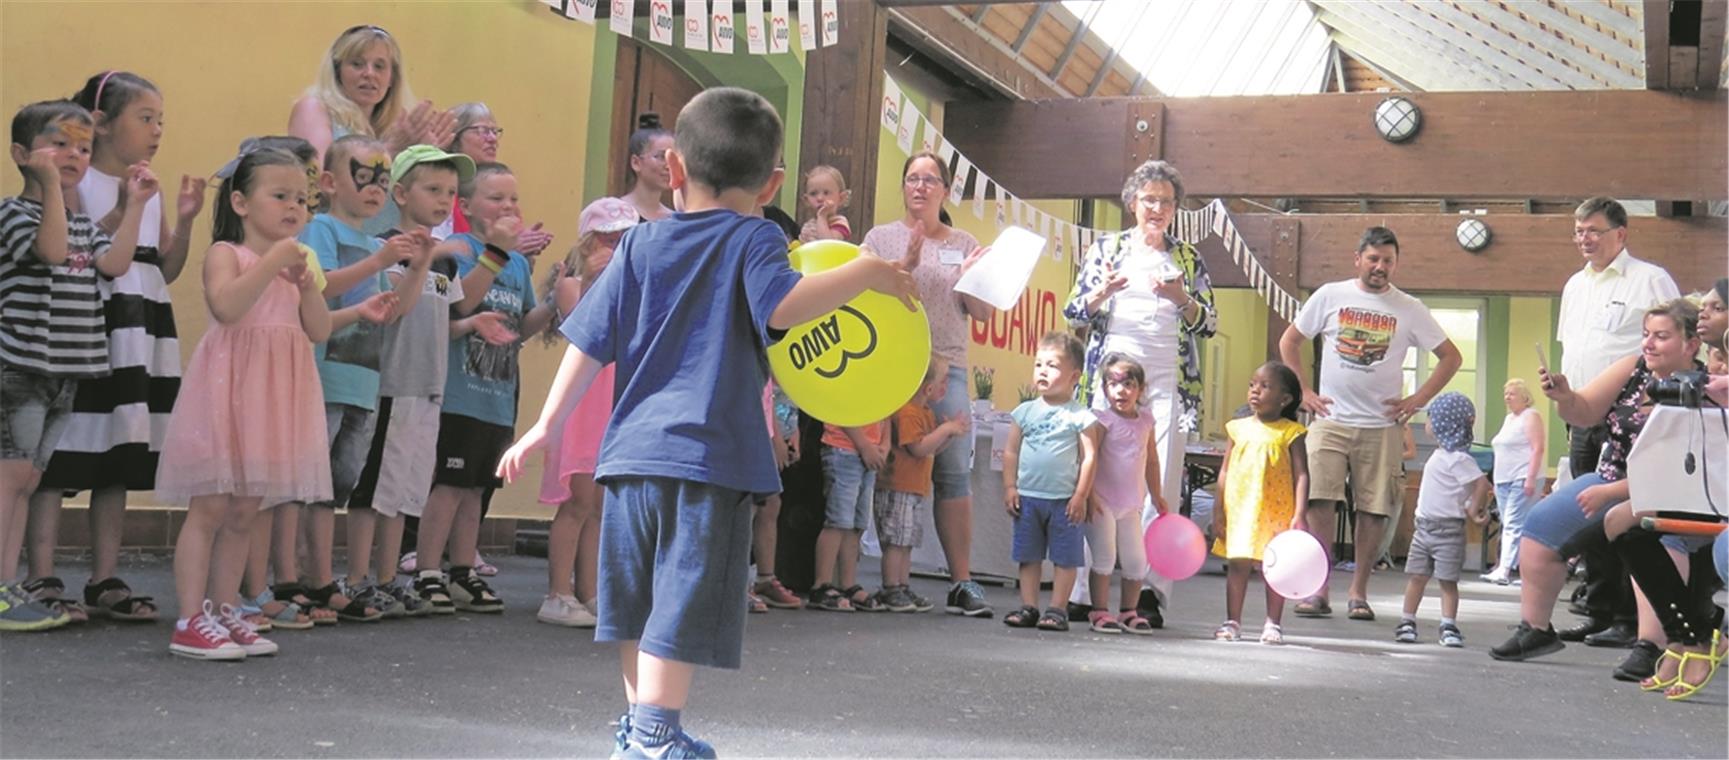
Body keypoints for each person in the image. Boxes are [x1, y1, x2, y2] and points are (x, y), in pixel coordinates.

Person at [496, 87, 916, 757]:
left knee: (634, 604)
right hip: (707, 459)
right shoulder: (755, 235)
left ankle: (639, 731)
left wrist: (544, 424)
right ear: (773, 182)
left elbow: (586, 340)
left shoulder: (638, 246)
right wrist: (865, 269)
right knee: (680, 604)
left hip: (630, 457)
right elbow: (784, 308)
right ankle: (654, 740)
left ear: (675, 169)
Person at [25, 72, 202, 625]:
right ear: (101, 123)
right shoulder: (77, 182)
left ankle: (105, 575)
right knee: (64, 450)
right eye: (144, 118)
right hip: (93, 321)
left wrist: (187, 220)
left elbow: (164, 266)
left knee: (121, 454)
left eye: (160, 121)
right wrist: (127, 204)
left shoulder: (144, 184)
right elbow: (82, 244)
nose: (156, 131)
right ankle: (43, 573)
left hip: (143, 323)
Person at [154, 146, 335, 659]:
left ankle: (224, 607)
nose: (294, 208)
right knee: (210, 506)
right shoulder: (226, 254)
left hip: (274, 399)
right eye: (280, 196)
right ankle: (189, 619)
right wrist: (274, 261)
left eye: (301, 198)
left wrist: (306, 286)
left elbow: (318, 330)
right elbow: (228, 307)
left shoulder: (297, 264)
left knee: (244, 512)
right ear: (240, 202)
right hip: (228, 392)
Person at [1489, 299, 1706, 666]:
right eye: (1646, 335)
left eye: (1662, 337)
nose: (1649, 344)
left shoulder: (1703, 386)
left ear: (1690, 344)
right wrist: (1564, 396)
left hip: (1673, 490)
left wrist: (1611, 492)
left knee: (1654, 533)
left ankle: (1653, 644)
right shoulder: (1634, 369)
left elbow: (1681, 468)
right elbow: (1585, 410)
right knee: (1541, 524)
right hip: (1613, 476)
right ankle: (1536, 629)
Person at [1, 101, 148, 631]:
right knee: (11, 475)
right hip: (20, 369)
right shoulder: (15, 214)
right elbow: (52, 250)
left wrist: (134, 205)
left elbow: (115, 263)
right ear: (21, 154)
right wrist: (49, 191)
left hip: (66, 372)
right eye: (58, 144)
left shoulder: (83, 225)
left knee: (29, 478)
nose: (74, 155)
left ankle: (10, 585)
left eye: (83, 148)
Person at [1278, 226, 1461, 622]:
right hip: (1330, 419)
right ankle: (1318, 588)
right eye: (1374, 259)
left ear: (1396, 264)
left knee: (1374, 508)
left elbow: (1451, 357)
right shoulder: (1330, 295)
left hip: (1381, 425)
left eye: (1388, 261)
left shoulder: (1409, 307)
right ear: (1357, 258)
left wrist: (1418, 400)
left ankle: (1359, 591)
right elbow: (1289, 341)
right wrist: (1303, 392)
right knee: (1318, 500)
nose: (1380, 267)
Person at [1063, 159, 1216, 626]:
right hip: (1108, 385)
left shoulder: (1188, 259)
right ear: (1133, 203)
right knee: (1099, 484)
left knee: (1158, 487)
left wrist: (1181, 299)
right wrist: (1101, 293)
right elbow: (1074, 312)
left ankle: (1149, 592)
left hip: (1167, 386)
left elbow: (1209, 324)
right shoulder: (1107, 250)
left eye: (1167, 202)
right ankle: (1091, 592)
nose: (1158, 208)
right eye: (1150, 199)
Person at [345, 144, 479, 618]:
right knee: (373, 487)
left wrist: (475, 324)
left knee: (404, 490)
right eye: (433, 189)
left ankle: (386, 579)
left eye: (451, 192)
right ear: (400, 193)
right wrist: (420, 258)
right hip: (391, 384)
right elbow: (392, 311)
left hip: (429, 386)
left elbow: (446, 319)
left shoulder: (446, 263)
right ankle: (358, 579)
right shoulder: (388, 248)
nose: (445, 200)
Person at [860, 150, 995, 618]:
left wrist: (975, 278)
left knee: (953, 472)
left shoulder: (963, 240)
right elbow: (861, 295)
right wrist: (904, 263)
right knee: (894, 469)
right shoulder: (880, 237)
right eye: (912, 178)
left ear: (945, 190)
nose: (919, 187)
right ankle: (890, 581)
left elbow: (981, 314)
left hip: (949, 367)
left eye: (929, 179)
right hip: (894, 366)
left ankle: (962, 582)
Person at [414, 162, 553, 613]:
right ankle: (427, 571)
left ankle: (461, 572)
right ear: (467, 206)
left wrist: (553, 300)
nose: (509, 206)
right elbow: (462, 305)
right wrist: (494, 252)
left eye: (513, 198)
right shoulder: (461, 249)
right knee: (449, 485)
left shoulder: (515, 263)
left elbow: (523, 325)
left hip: (498, 395)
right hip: (459, 393)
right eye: (497, 198)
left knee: (476, 488)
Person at [294, 135, 417, 623]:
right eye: (362, 177)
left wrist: (418, 262)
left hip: (362, 381)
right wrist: (378, 262)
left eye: (382, 180)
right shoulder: (321, 228)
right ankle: (311, 577)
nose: (375, 189)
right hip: (323, 377)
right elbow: (319, 288)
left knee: (337, 485)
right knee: (309, 483)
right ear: (328, 182)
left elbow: (395, 311)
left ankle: (317, 576)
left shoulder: (373, 244)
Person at [1553, 197, 1680, 648]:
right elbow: (1574, 347)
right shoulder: (1574, 285)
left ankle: (1632, 617)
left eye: (1593, 230)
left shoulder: (1649, 279)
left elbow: (1676, 337)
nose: (1584, 238)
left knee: (1629, 513)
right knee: (1588, 509)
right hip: (1584, 414)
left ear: (1620, 234)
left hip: (1632, 419)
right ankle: (1600, 609)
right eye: (1578, 230)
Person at [533, 197, 635, 627]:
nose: (616, 246)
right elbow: (578, 326)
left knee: (598, 504)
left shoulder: (630, 283)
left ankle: (590, 592)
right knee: (576, 501)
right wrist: (595, 277)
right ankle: (557, 593)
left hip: (612, 398)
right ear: (590, 240)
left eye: (623, 238)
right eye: (608, 237)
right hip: (583, 400)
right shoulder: (571, 280)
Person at [287, 24, 453, 237]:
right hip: (329, 248)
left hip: (384, 254)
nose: (369, 74)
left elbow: (415, 208)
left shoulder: (400, 128)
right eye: (357, 64)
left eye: (380, 66)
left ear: (392, 78)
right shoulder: (315, 108)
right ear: (337, 71)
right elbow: (318, 185)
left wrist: (424, 165)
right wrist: (390, 151)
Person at [1001, 332, 1100, 632]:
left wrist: (1081, 495)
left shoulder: (1080, 416)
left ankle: (1057, 608)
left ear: (1074, 376)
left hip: (1064, 500)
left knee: (1065, 558)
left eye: (1052, 365)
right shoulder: (1025, 412)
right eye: (1038, 364)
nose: (1042, 371)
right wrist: (1009, 487)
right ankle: (1029, 606)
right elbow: (1010, 451)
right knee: (1028, 556)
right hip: (1028, 498)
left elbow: (1090, 457)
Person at [1212, 361, 1309, 645]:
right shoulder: (1237, 428)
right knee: (1238, 564)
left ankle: (1273, 623)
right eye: (1253, 384)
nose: (1255, 391)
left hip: (1277, 512)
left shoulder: (1291, 432)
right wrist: (1219, 510)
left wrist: (1300, 513)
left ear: (1285, 399)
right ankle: (1232, 621)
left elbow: (1301, 474)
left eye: (1265, 386)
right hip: (1240, 510)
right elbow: (1225, 471)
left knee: (1275, 567)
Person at [1394, 392, 1491, 648]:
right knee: (1417, 576)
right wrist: (1471, 504)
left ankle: (1448, 624)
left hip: (1448, 531)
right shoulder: (1441, 455)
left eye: (1429, 419)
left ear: (1441, 424)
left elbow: (1481, 484)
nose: (1426, 424)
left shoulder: (1458, 459)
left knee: (1447, 581)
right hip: (1423, 528)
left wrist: (1473, 510)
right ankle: (1407, 621)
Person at [871, 359, 967, 613]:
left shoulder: (925, 413)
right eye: (943, 382)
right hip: (897, 486)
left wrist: (947, 435)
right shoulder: (907, 413)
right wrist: (945, 428)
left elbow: (930, 450)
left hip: (913, 489)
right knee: (895, 540)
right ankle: (890, 587)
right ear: (927, 388)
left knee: (906, 540)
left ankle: (902, 585)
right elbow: (918, 448)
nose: (946, 387)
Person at [1082, 354, 1164, 635]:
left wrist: (1158, 495)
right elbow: (1089, 459)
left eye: (1128, 384)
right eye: (1113, 384)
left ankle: (1129, 611)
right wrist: (1088, 494)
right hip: (1102, 502)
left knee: (1136, 561)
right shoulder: (1101, 421)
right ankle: (1100, 610)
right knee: (1104, 558)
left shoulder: (1146, 422)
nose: (1121, 391)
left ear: (1140, 390)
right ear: (1104, 389)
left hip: (1131, 505)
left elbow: (1151, 461)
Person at [811, 416, 890, 612]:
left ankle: (848, 584)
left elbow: (887, 412)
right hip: (843, 448)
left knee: (856, 524)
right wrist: (864, 446)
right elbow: (841, 410)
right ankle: (821, 585)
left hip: (870, 452)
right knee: (838, 521)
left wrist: (884, 444)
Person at [1482, 379, 1545, 585]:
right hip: (1503, 479)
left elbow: (1538, 448)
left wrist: (1530, 478)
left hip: (1522, 476)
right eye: (1506, 393)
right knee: (1510, 523)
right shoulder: (1509, 418)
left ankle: (1505, 569)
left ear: (1524, 396)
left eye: (1512, 393)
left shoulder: (1531, 416)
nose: (1507, 397)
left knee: (1513, 523)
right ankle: (1521, 570)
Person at [618, 113, 673, 222]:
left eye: (672, 158)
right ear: (636, 163)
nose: (669, 166)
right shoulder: (613, 214)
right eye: (661, 157)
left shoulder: (674, 220)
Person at [797, 164, 851, 243]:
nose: (820, 198)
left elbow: (828, 245)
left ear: (841, 198)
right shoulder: (809, 224)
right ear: (806, 200)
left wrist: (822, 217)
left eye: (826, 193)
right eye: (813, 194)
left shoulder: (839, 223)